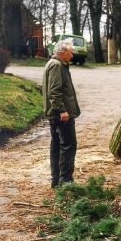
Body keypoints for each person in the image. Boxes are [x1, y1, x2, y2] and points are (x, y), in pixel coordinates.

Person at [43, 39, 81, 188]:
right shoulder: (56, 66)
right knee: (68, 145)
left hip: (57, 114)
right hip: (61, 115)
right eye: (70, 52)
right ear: (63, 52)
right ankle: (65, 181)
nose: (72, 56)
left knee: (57, 145)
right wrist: (63, 110)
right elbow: (54, 92)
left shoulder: (57, 64)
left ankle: (56, 181)